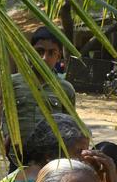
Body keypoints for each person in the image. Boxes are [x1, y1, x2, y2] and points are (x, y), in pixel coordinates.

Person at [6, 27, 76, 155]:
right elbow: (5, 116)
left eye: (51, 53)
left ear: (58, 56)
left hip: (52, 159)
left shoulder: (66, 89)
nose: (44, 58)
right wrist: (7, 137)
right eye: (39, 51)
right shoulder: (12, 83)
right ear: (29, 52)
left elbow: (69, 126)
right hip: (18, 157)